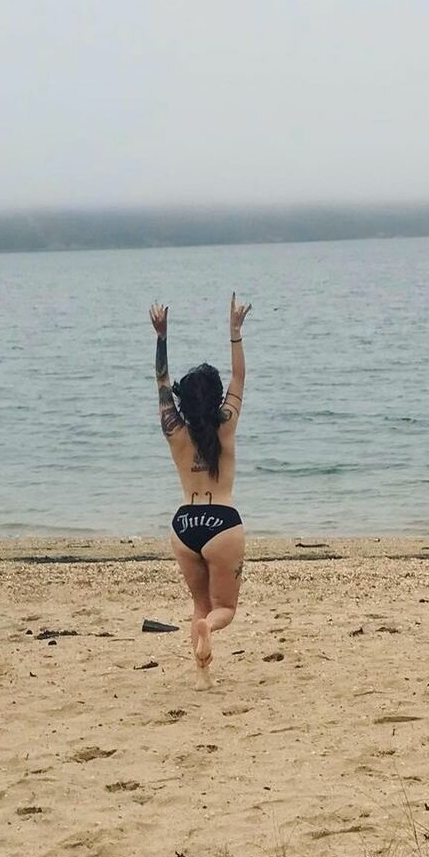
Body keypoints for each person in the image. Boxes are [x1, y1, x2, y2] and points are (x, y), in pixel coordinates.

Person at [151, 293, 252, 689]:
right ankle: (209, 629)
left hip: (184, 525)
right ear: (214, 398)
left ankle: (202, 675)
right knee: (223, 608)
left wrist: (161, 337)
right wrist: (234, 332)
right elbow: (239, 378)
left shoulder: (174, 430)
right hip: (222, 523)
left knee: (199, 603)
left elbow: (161, 382)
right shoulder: (225, 423)